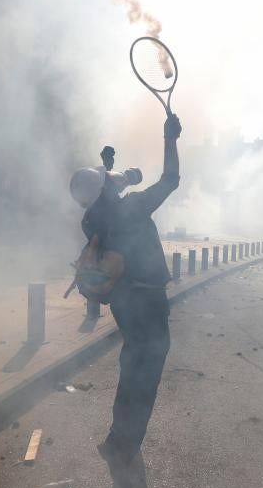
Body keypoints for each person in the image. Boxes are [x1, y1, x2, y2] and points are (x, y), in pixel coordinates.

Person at [70, 114, 182, 465]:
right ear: (110, 187)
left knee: (131, 366)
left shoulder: (90, 219)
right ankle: (124, 447)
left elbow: (103, 201)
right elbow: (171, 179)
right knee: (145, 376)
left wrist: (106, 170)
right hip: (148, 300)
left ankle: (117, 440)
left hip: (123, 303)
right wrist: (170, 139)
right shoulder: (133, 206)